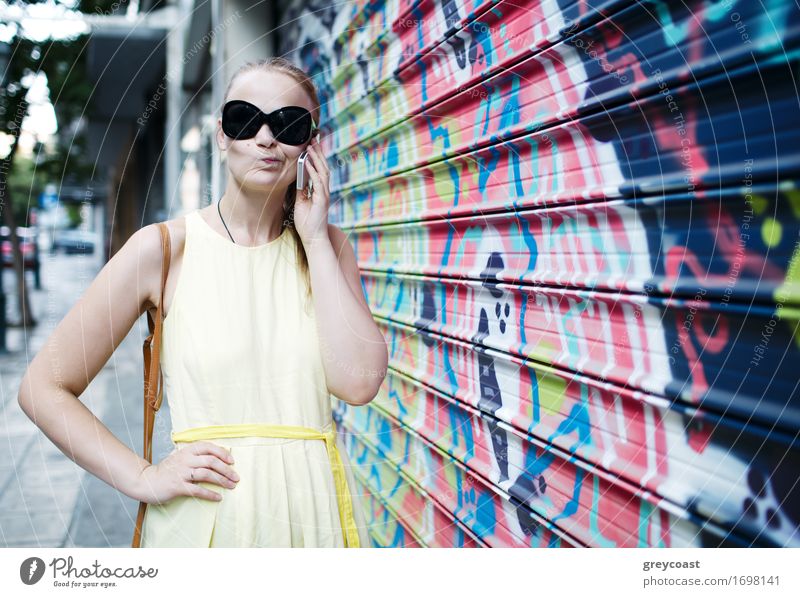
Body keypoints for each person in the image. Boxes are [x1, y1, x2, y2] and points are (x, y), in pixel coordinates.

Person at [17, 57, 388, 547]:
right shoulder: (164, 248)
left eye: (288, 124)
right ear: (220, 135)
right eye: (244, 118)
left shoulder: (329, 248)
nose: (265, 138)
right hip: (204, 524)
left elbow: (358, 383)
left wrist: (316, 238)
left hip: (312, 520)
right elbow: (43, 387)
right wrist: (142, 476)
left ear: (310, 145)